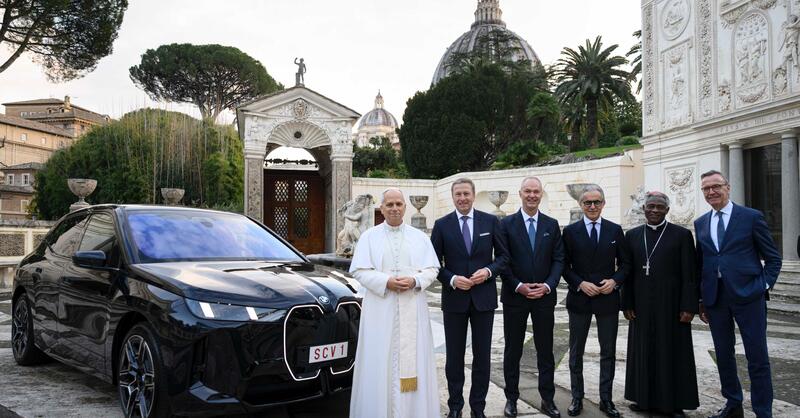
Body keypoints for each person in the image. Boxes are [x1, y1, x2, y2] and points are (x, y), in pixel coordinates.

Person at [695, 170, 781, 418]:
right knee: (723, 354)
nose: (711, 192)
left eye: (716, 186)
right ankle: (733, 404)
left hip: (749, 297)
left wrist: (763, 286)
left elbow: (773, 259)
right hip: (716, 299)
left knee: (757, 356)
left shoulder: (751, 217)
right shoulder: (701, 222)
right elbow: (702, 262)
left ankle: (763, 411)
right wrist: (701, 298)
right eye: (706, 189)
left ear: (728, 187)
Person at [348, 188, 441, 418]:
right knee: (379, 360)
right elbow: (358, 270)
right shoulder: (369, 237)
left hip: (413, 305)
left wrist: (416, 280)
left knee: (414, 361)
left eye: (398, 204)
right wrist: (386, 281)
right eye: (389, 205)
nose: (394, 209)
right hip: (381, 310)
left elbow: (432, 268)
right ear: (382, 208)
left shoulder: (419, 237)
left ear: (405, 208)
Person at [431, 178, 508, 418]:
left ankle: (478, 408)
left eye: (466, 193)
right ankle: (455, 407)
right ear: (453, 197)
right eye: (458, 194)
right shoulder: (442, 225)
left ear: (474, 195)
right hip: (454, 300)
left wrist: (488, 272)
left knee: (482, 357)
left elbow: (504, 258)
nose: (462, 198)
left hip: (483, 299)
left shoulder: (490, 221)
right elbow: (433, 265)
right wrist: (452, 279)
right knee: (454, 357)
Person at [622, 192, 699, 418]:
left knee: (672, 352)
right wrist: (627, 302)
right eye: (650, 206)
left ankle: (674, 403)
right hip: (641, 304)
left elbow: (690, 274)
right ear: (644, 209)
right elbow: (628, 272)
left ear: (667, 210)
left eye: (659, 207)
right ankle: (643, 399)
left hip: (672, 305)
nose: (654, 210)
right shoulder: (633, 235)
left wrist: (689, 306)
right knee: (643, 351)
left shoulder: (682, 235)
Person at [561, 185, 631, 418]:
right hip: (580, 299)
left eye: (597, 202)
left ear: (603, 203)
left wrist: (615, 281)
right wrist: (580, 283)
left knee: (608, 351)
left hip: (607, 299)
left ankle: (606, 399)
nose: (592, 206)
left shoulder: (614, 230)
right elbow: (563, 265)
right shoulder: (570, 232)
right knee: (576, 352)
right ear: (581, 205)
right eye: (588, 203)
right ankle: (577, 397)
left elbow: (626, 264)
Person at [499, 176, 564, 418]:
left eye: (536, 191)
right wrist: (518, 286)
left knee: (545, 350)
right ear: (520, 193)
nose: (532, 195)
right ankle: (511, 399)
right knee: (512, 350)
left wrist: (548, 285)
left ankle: (547, 399)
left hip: (544, 298)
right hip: (515, 297)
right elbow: (503, 260)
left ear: (541, 194)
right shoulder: (506, 225)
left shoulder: (551, 224)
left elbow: (559, 259)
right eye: (528, 191)